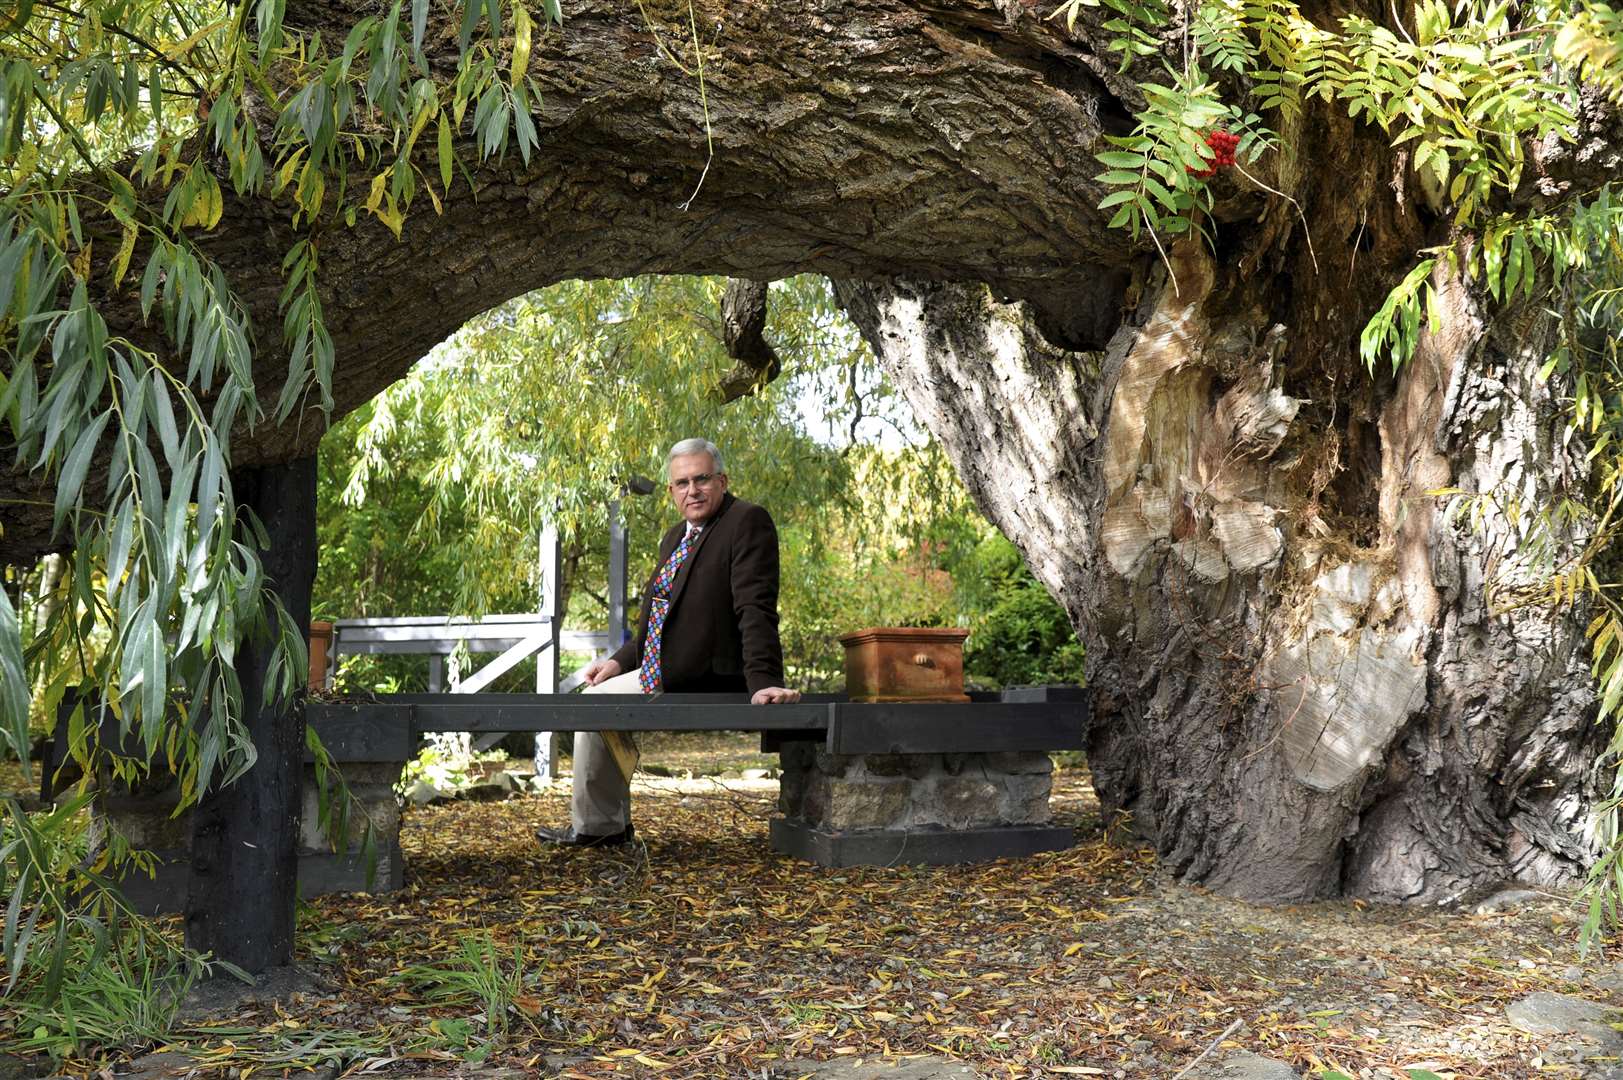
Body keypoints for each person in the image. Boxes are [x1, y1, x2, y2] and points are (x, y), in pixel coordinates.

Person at [535, 438, 802, 848]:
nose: (692, 490)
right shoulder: (675, 535)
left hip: (712, 674)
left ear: (723, 479)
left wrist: (763, 680)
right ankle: (604, 825)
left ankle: (598, 828)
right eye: (681, 483)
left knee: (593, 707)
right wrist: (620, 662)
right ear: (671, 491)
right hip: (667, 667)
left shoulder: (747, 521)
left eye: (701, 479)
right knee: (598, 695)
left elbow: (755, 606)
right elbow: (658, 616)